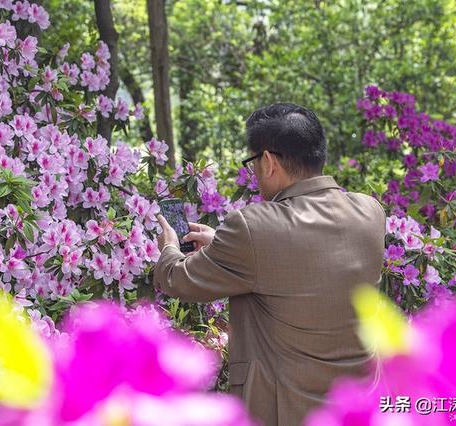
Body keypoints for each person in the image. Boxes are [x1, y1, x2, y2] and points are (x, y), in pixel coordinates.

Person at [154, 103, 386, 426]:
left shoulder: (253, 228)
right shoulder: (371, 213)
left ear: (268, 161)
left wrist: (168, 247)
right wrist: (222, 243)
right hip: (356, 410)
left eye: (253, 163)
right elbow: (300, 260)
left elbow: (177, 278)